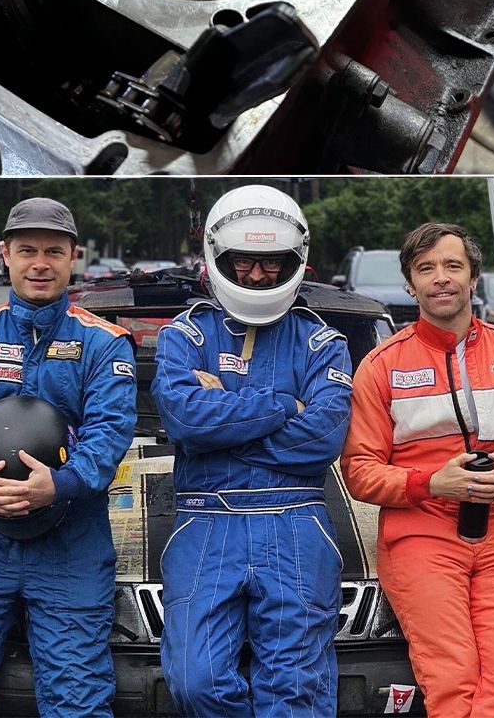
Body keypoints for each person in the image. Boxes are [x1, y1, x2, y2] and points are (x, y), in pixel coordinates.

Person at [0, 197, 138, 717]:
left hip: (71, 542)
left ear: (73, 257)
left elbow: (111, 431)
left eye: (54, 251)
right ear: (5, 255)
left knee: (76, 701)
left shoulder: (104, 343)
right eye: (28, 250)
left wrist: (61, 484)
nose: (41, 263)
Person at [344, 222, 494, 718]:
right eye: (426, 269)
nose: (440, 278)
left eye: (452, 266)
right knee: (453, 681)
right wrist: (431, 483)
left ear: (473, 279)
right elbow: (359, 471)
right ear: (410, 284)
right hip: (420, 536)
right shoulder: (381, 366)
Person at [150, 185, 353, 717]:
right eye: (244, 262)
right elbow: (185, 420)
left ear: (296, 262)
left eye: (271, 263)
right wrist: (287, 404)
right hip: (204, 521)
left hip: (296, 522)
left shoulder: (322, 341)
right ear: (219, 259)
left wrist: (226, 410)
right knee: (196, 681)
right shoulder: (186, 334)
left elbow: (323, 438)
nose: (258, 276)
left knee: (295, 689)